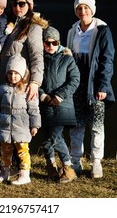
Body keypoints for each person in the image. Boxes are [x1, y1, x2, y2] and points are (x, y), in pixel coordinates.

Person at [66, 0, 115, 179]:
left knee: (96, 125)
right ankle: (76, 161)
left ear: (92, 10)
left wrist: (103, 86)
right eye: (79, 8)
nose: (82, 11)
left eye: (86, 8)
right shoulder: (72, 31)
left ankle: (96, 163)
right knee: (76, 124)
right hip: (76, 83)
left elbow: (107, 60)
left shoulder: (102, 30)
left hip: (95, 84)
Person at [0, 0, 48, 101]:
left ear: (29, 5)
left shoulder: (33, 27)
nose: (17, 8)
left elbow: (37, 57)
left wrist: (35, 83)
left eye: (21, 4)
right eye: (14, 4)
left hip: (18, 87)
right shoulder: (6, 23)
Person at [0, 55, 41, 185]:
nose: (13, 76)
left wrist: (35, 125)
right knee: (5, 151)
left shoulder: (27, 90)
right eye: (10, 73)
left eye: (16, 73)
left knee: (22, 151)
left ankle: (25, 175)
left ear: (22, 74)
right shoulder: (1, 89)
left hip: (21, 125)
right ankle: (4, 173)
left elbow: (34, 109)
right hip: (4, 125)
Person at [39, 26, 80, 183]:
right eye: (47, 43)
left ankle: (68, 168)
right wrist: (42, 95)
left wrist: (60, 96)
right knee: (45, 138)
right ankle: (51, 167)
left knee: (55, 137)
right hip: (44, 105)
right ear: (43, 43)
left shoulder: (67, 59)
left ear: (59, 43)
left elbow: (75, 80)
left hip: (63, 106)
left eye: (54, 43)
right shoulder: (39, 60)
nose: (50, 46)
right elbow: (34, 79)